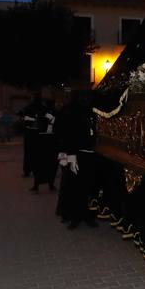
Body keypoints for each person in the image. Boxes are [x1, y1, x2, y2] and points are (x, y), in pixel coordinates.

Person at [54, 93, 98, 228]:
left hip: (89, 153)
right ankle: (72, 214)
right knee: (72, 185)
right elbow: (63, 134)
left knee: (88, 186)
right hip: (73, 154)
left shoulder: (92, 111)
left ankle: (87, 214)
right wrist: (68, 155)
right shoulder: (68, 112)